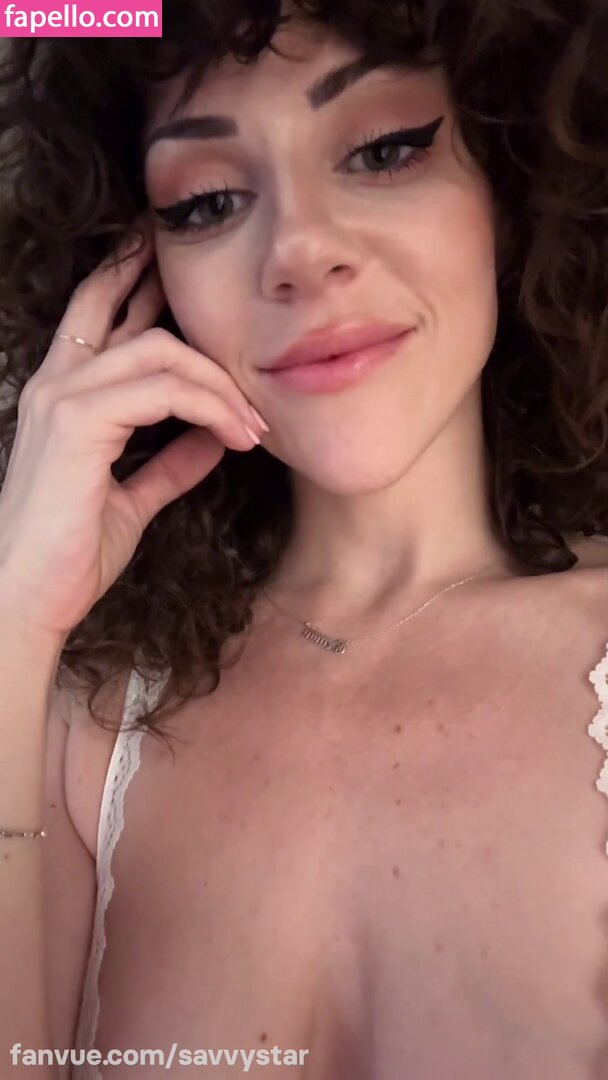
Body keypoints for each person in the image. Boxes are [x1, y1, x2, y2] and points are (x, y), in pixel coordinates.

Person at [1, 0, 608, 1076]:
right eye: (206, 202)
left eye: (383, 149)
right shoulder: (69, 716)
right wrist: (12, 617)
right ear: (138, 278)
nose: (297, 251)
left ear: (511, 188)